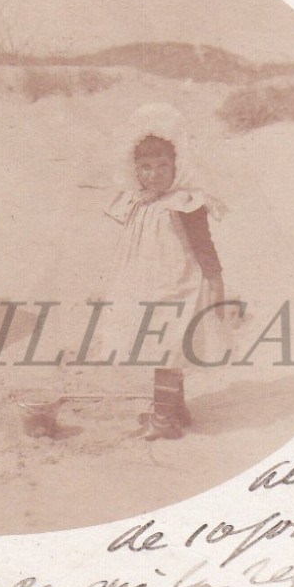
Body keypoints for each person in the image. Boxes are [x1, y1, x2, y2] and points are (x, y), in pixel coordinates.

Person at [102, 103, 228, 440]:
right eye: (145, 167)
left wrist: (216, 282)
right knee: (164, 346)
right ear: (136, 171)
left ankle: (162, 418)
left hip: (180, 283)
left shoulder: (184, 202)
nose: (154, 174)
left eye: (162, 166)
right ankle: (175, 408)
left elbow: (204, 246)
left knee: (168, 346)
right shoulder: (140, 202)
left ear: (177, 166)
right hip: (149, 285)